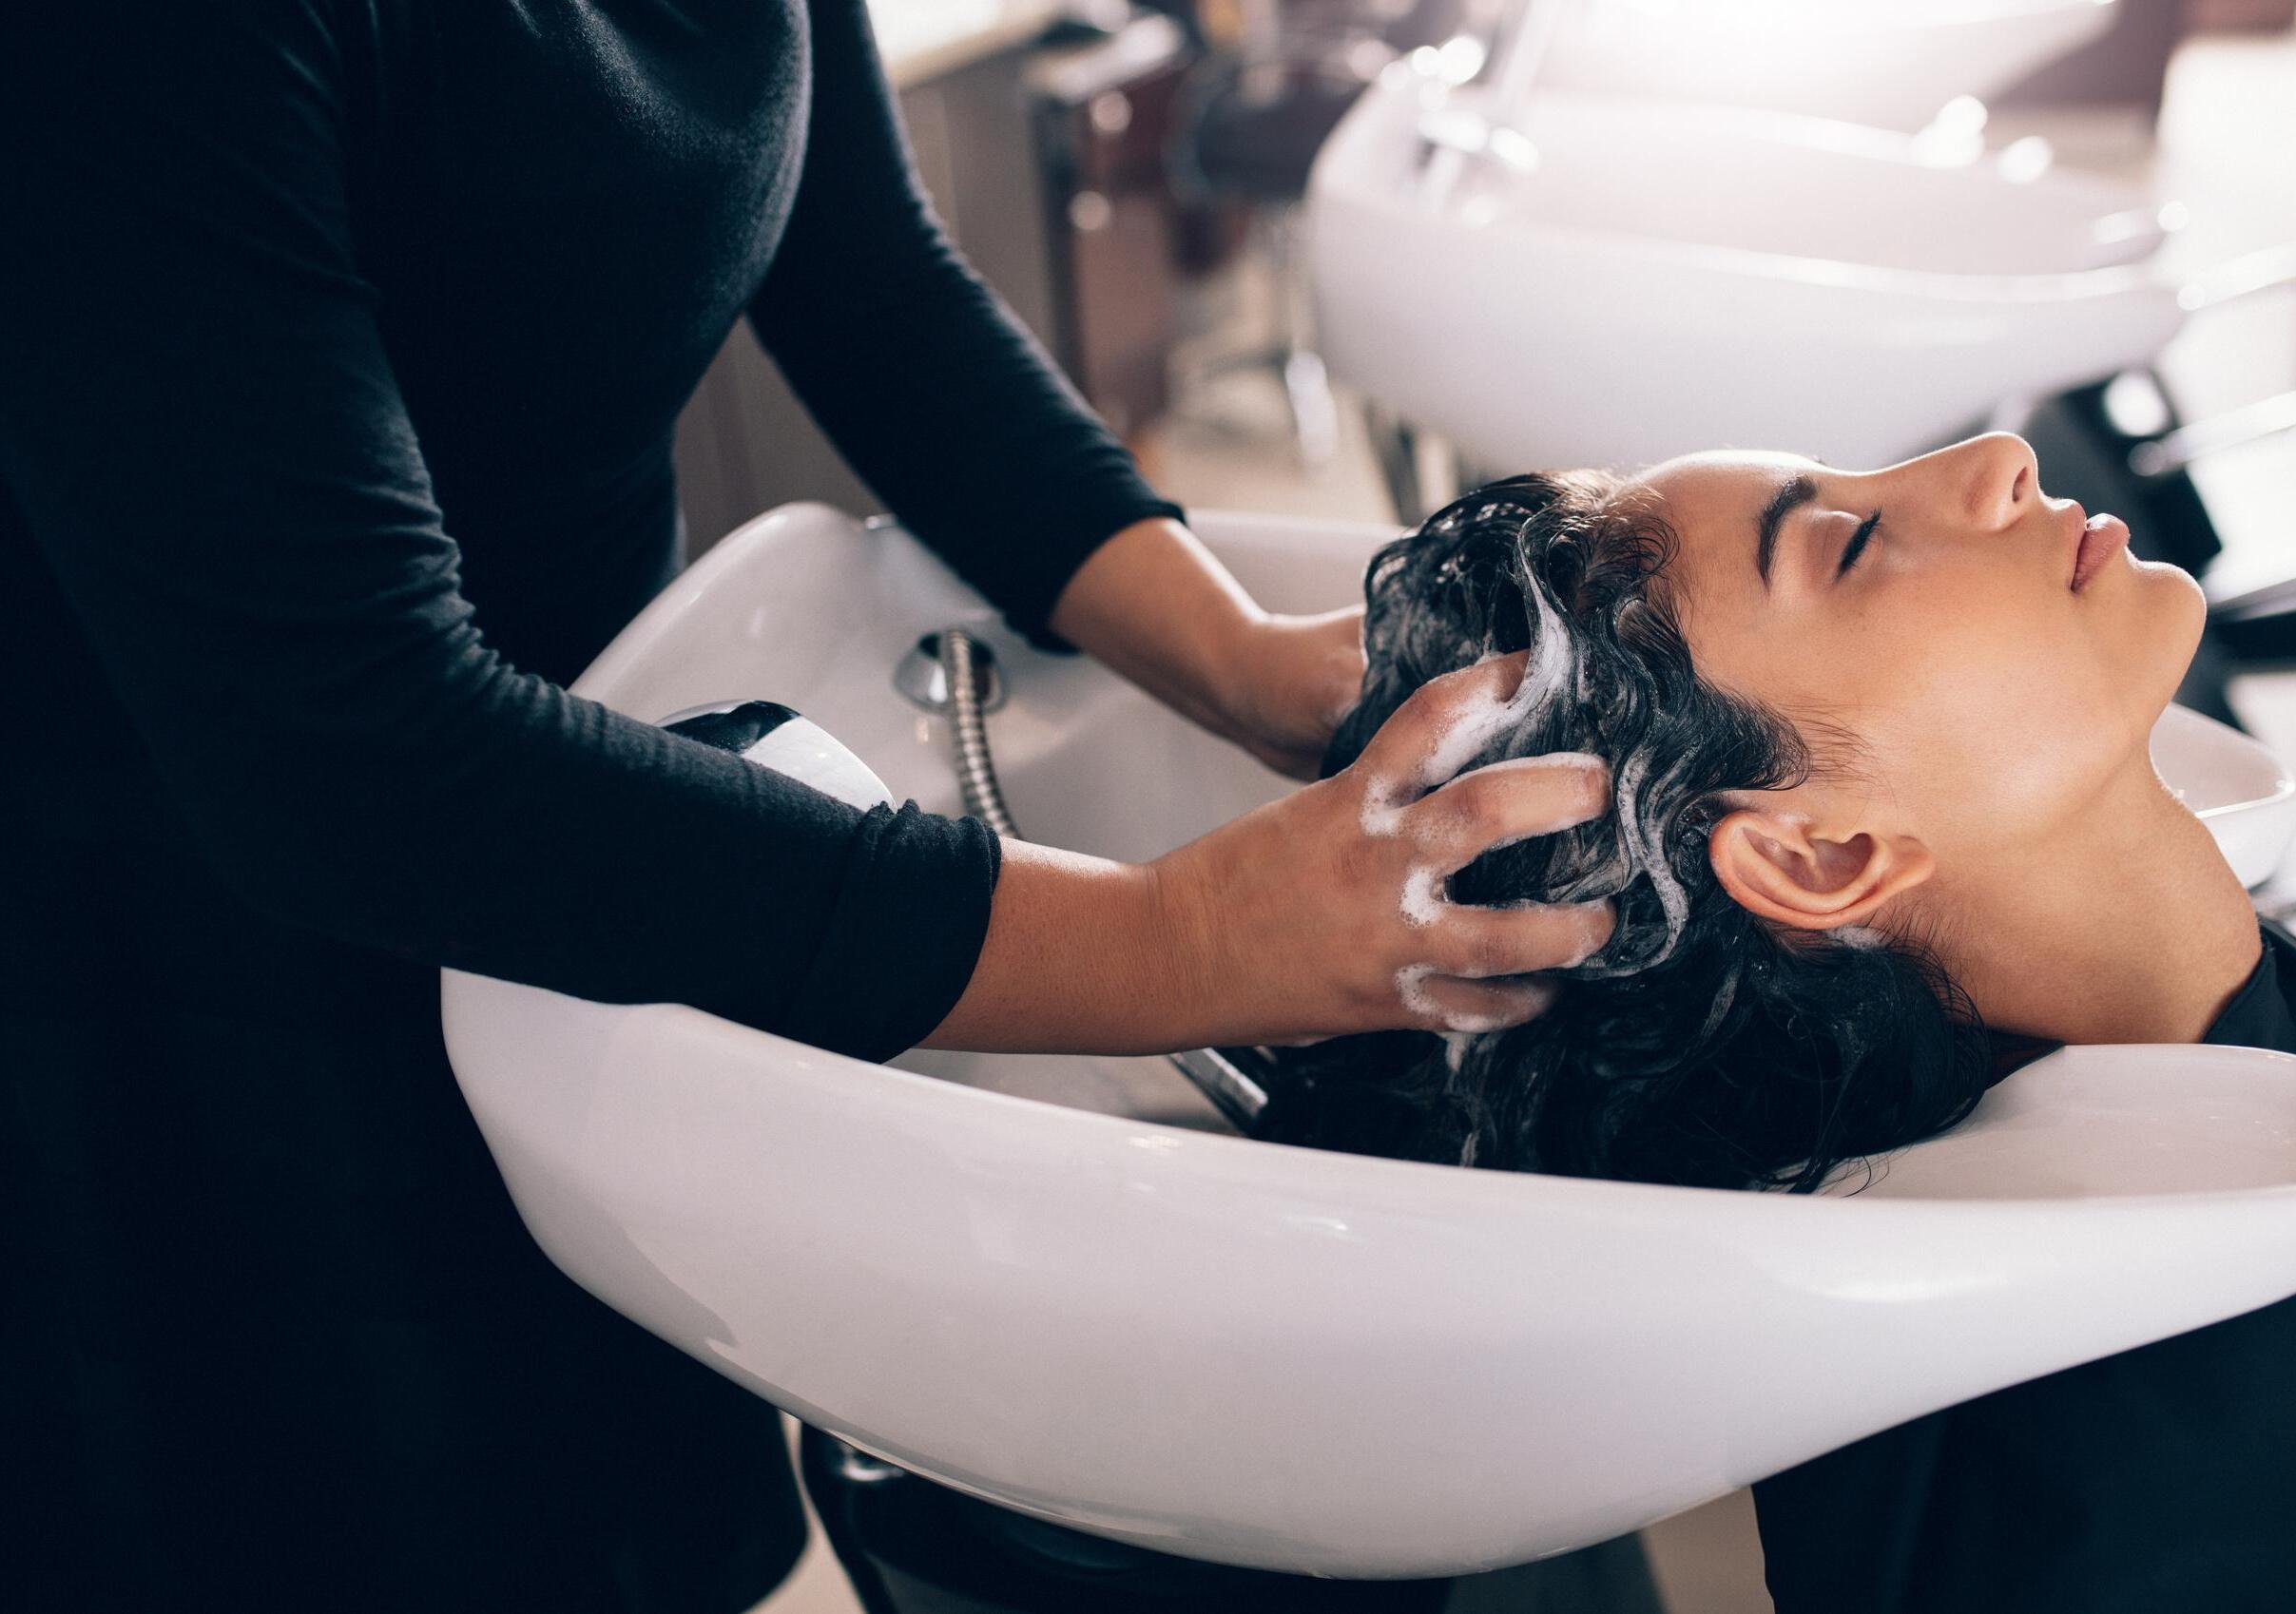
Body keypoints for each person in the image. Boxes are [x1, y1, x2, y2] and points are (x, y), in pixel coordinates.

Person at [0, 5, 1608, 1608]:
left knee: (629, 1472)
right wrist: (1172, 936)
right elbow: (351, 760)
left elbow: (877, 294)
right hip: (202, 939)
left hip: (621, 831)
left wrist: (1236, 658)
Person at [1261, 434, 2296, 1610]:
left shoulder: (2198, 1037)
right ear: (1814, 859)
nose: (1999, 459)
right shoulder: (2124, 1526)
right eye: (1850, 545)